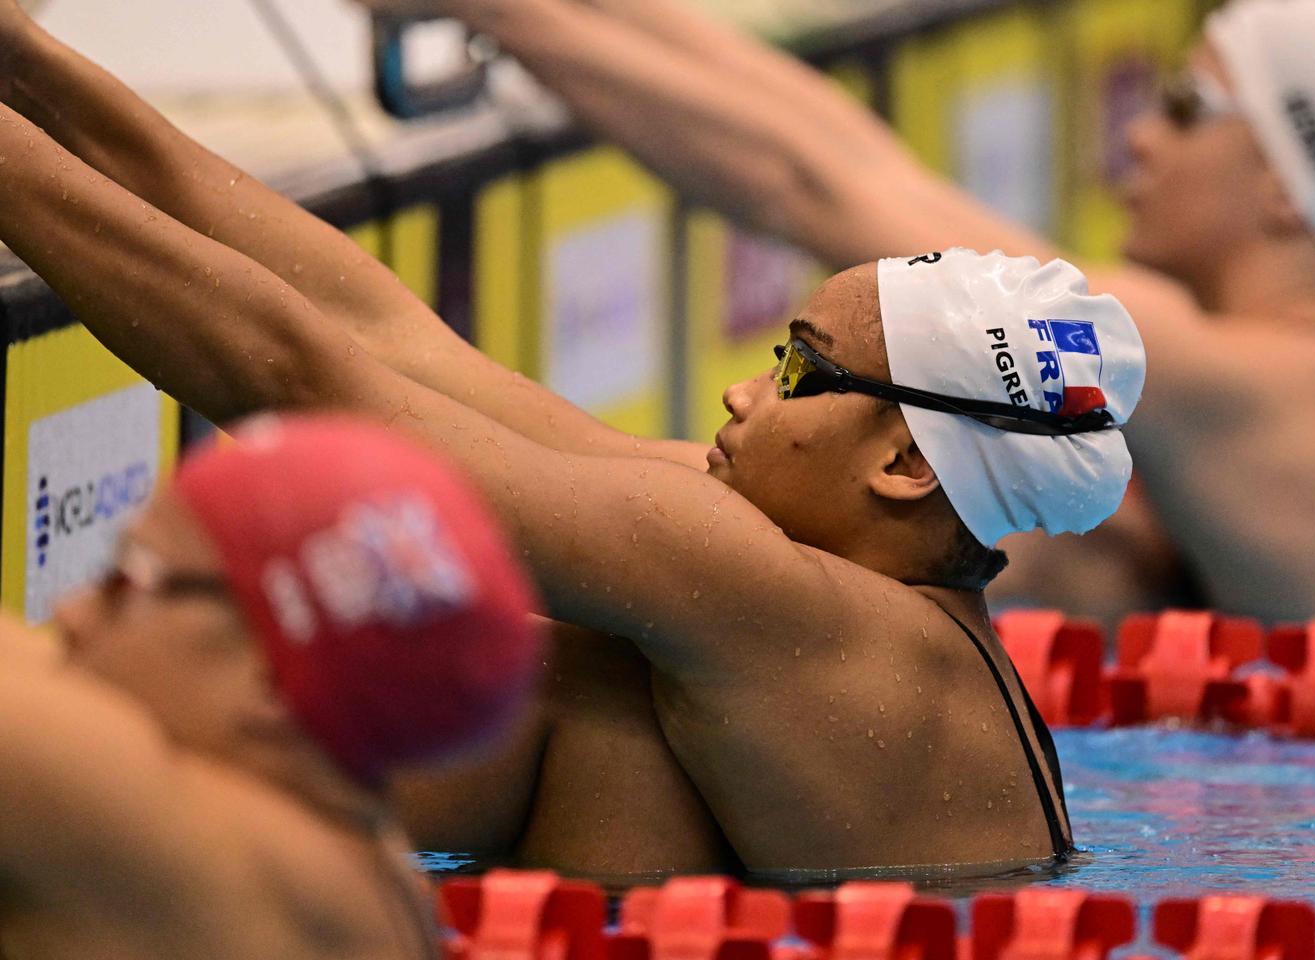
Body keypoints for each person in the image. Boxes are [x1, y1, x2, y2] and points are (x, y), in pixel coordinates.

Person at [0, 5, 1149, 875]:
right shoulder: (813, 587)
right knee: (611, 718)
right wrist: (29, 61)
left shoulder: (783, 603)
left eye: (798, 367)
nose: (747, 392)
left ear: (903, 464)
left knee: (576, 690)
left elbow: (300, 381)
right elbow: (389, 340)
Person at [360, 0, 1315, 633]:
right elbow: (844, 148)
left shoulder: (1257, 390)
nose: (1143, 135)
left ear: (1294, 190)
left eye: (1187, 105)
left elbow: (815, 185)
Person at [0, 413, 541, 959]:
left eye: (123, 579)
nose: (68, 612)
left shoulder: (183, 841)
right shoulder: (362, 862)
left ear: (273, 684)